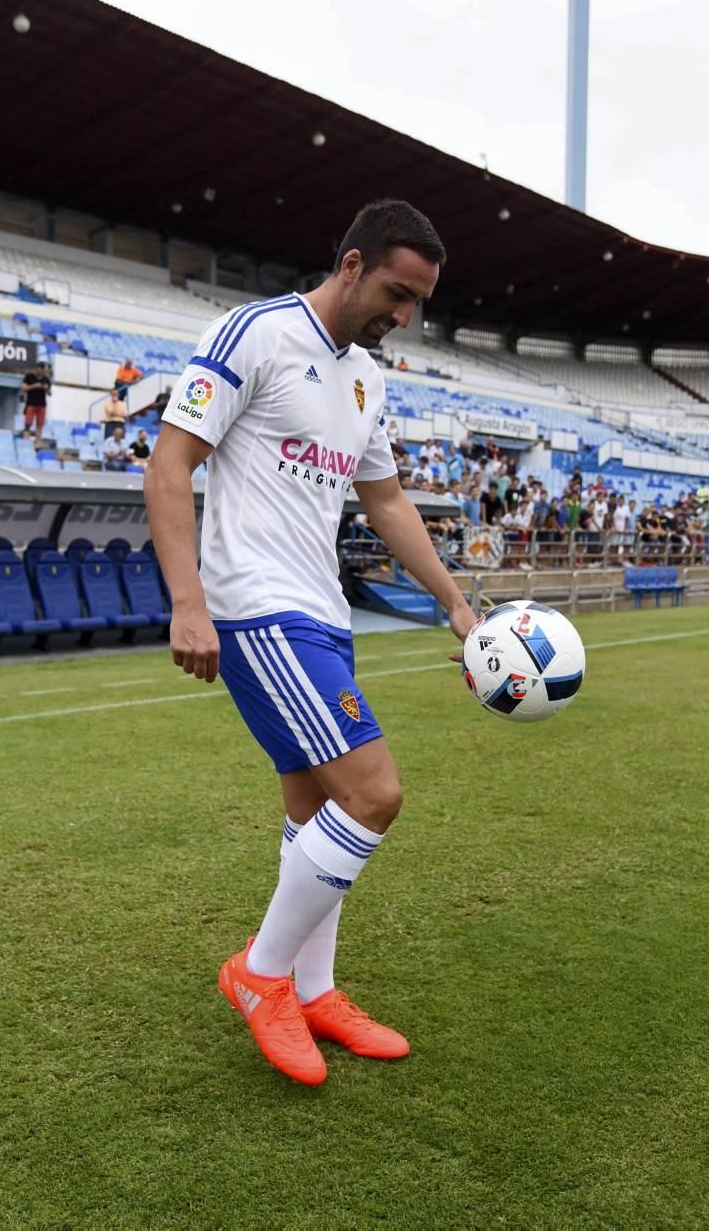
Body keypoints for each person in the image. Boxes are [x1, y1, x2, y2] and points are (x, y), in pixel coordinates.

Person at [144, 198, 475, 1088]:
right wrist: (188, 601)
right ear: (353, 262)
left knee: (314, 812)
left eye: (417, 304)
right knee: (374, 794)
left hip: (323, 615)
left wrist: (453, 603)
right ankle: (259, 976)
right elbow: (169, 462)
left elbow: (387, 501)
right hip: (257, 608)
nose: (403, 317)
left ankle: (314, 989)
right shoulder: (254, 333)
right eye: (397, 293)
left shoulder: (367, 378)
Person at [21, 363, 51, 440]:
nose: (43, 372)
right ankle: (26, 441)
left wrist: (46, 388)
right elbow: (24, 388)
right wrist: (35, 386)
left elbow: (49, 393)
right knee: (27, 424)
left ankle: (38, 443)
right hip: (31, 404)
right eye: (41, 370)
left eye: (44, 370)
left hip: (42, 405)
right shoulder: (29, 377)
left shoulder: (46, 379)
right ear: (37, 368)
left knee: (40, 425)